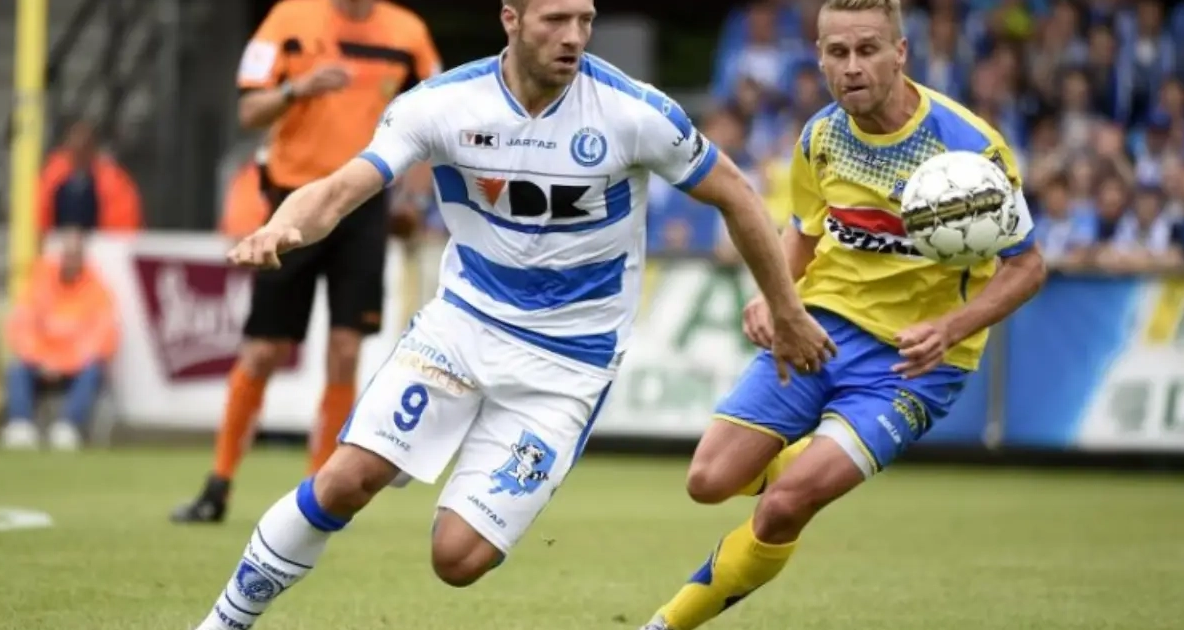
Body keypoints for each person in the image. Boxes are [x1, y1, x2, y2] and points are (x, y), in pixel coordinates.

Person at [189, 0, 836, 627]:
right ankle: (221, 622)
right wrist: (280, 227)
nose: (573, 36)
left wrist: (786, 309)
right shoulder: (442, 105)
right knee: (345, 480)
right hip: (461, 328)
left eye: (585, 20)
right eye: (555, 19)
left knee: (457, 559)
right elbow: (338, 190)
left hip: (568, 362)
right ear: (511, 19)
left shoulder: (633, 112)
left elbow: (736, 194)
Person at [637, 1, 1048, 629]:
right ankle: (804, 457)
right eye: (837, 52)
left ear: (900, 53)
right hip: (820, 331)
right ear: (821, 58)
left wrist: (950, 329)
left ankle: (665, 624)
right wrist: (775, 298)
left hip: (913, 366)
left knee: (784, 507)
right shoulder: (822, 137)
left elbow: (1028, 266)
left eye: (867, 50)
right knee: (709, 481)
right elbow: (804, 231)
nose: (852, 67)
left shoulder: (969, 147)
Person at [171, 0, 442, 523]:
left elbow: (437, 122)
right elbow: (249, 111)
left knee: (345, 350)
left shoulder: (409, 33)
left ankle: (318, 495)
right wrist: (297, 89)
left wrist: (414, 200)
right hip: (292, 204)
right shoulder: (288, 20)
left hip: (363, 208)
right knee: (264, 351)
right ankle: (218, 485)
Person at [0, 230, 118, 451]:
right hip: (41, 363)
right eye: (67, 255)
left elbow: (102, 338)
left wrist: (62, 363)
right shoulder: (39, 285)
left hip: (75, 367)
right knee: (17, 369)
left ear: (82, 258)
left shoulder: (97, 291)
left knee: (92, 370)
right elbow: (21, 327)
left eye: (75, 255)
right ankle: (20, 425)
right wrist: (42, 359)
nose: (70, 261)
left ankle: (68, 427)